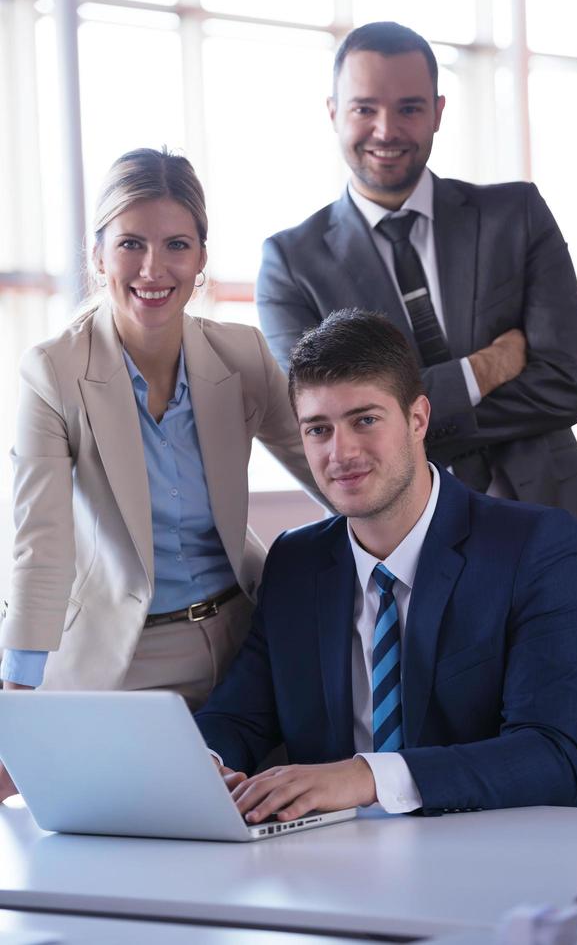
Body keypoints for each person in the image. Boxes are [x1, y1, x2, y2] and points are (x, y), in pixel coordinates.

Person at [194, 310, 577, 821]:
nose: (341, 452)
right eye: (318, 429)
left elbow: (550, 749)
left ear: (417, 419)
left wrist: (367, 776)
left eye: (365, 420)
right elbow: (240, 717)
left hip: (538, 842)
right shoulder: (296, 562)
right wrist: (205, 764)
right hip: (353, 857)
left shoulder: (534, 546)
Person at [255, 20, 577, 608]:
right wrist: (482, 371)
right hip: (415, 568)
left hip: (567, 534)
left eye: (408, 108)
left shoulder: (517, 215)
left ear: (437, 111)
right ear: (333, 111)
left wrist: (402, 424)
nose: (386, 130)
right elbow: (327, 423)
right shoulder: (291, 263)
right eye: (364, 108)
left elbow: (564, 387)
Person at [0, 146, 319, 801]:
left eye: (176, 244)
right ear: (98, 255)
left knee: (255, 839)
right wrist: (19, 701)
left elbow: (331, 471)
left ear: (201, 256)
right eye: (130, 244)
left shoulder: (243, 354)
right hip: (120, 661)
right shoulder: (53, 372)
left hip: (240, 646)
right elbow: (41, 546)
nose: (153, 268)